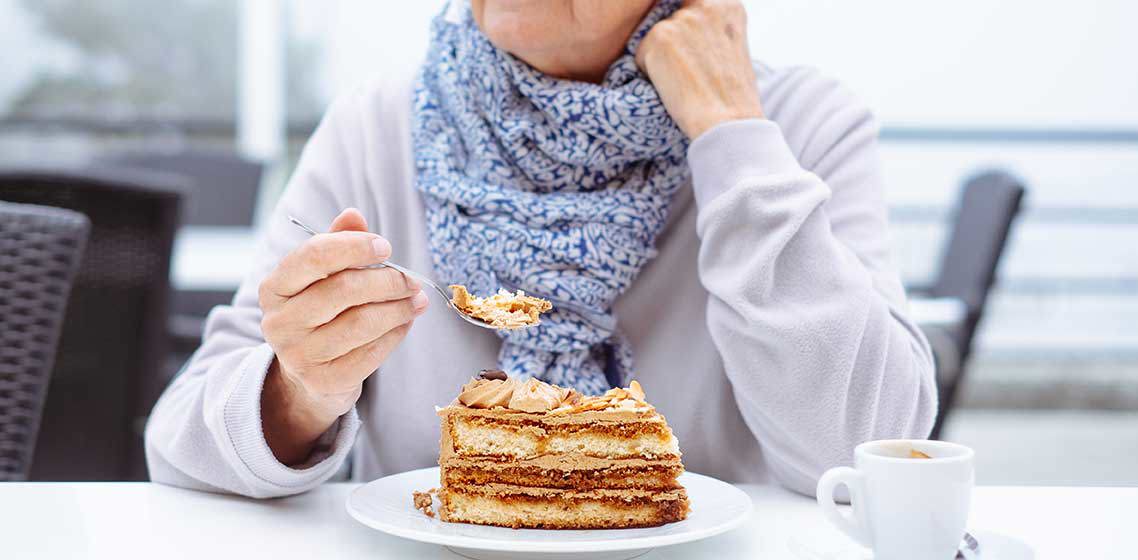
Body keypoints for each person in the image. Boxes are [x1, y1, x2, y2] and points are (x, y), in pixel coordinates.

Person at [145, 0, 936, 498]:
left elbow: (865, 453)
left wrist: (731, 134)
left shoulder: (794, 128)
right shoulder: (378, 126)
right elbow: (182, 448)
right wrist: (300, 391)